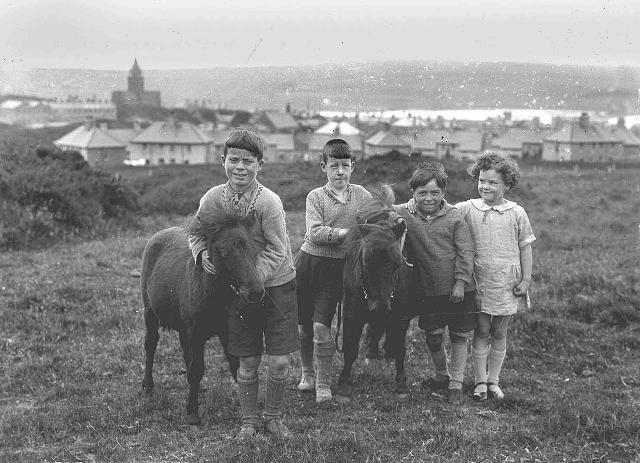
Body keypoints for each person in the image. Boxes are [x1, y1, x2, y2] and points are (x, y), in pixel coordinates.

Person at [187, 128, 298, 440]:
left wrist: (252, 279)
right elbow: (196, 233)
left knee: (278, 362)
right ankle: (248, 422)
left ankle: (274, 420)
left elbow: (278, 249)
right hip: (240, 291)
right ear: (223, 161)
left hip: (276, 285)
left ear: (259, 165)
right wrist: (200, 255)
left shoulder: (269, 203)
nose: (240, 167)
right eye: (233, 159)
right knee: (247, 361)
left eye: (248, 161)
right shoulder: (211, 199)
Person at [295, 138, 371, 403]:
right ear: (323, 167)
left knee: (320, 326)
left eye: (345, 166)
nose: (340, 171)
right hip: (309, 264)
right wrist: (345, 233)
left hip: (338, 269)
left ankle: (324, 385)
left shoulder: (361, 195)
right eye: (334, 166)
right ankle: (307, 374)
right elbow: (314, 232)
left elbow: (377, 217)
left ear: (353, 167)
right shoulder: (315, 196)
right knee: (304, 326)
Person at [455, 152, 535, 401]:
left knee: (500, 333)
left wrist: (526, 280)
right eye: (482, 181)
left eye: (493, 182)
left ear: (507, 185)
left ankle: (494, 381)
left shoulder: (517, 212)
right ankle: (480, 382)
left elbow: (525, 246)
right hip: (479, 281)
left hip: (507, 282)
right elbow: (442, 210)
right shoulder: (468, 208)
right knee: (481, 331)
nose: (485, 186)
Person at [400, 161, 476, 404]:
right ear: (413, 193)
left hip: (458, 289)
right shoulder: (405, 213)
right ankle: (441, 375)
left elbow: (466, 252)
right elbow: (383, 209)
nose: (428, 198)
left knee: (458, 336)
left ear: (443, 193)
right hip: (428, 290)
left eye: (435, 193)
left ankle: (456, 383)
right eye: (422, 193)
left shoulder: (455, 217)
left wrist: (461, 283)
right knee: (433, 336)